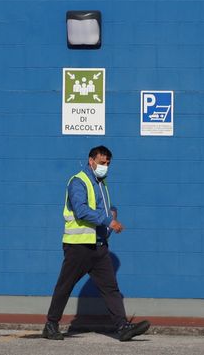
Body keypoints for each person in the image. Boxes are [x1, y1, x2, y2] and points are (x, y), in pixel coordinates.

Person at [43, 145, 150, 342]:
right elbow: (81, 211)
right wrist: (109, 220)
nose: (105, 166)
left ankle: (122, 327)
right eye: (102, 163)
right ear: (91, 161)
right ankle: (51, 324)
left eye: (108, 163)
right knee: (65, 286)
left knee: (110, 288)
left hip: (98, 246)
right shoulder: (78, 181)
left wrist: (111, 214)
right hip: (79, 245)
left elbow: (100, 209)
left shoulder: (101, 183)